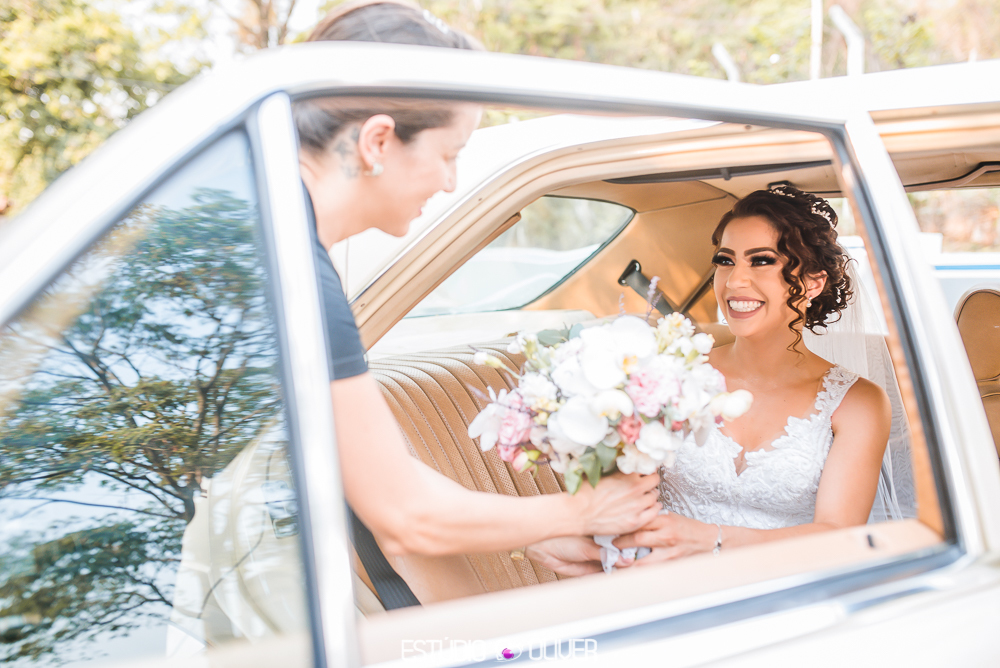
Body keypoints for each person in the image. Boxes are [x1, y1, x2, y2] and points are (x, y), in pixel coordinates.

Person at [296, 0, 661, 564]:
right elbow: (407, 517)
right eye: (449, 154)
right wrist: (583, 511)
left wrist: (534, 530)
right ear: (377, 142)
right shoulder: (299, 283)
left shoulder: (277, 243)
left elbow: (384, 477)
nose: (450, 182)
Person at [610, 185, 894, 563]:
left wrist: (712, 539)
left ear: (813, 282)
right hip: (661, 581)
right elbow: (623, 495)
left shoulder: (859, 404)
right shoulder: (674, 371)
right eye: (725, 261)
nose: (734, 281)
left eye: (761, 261)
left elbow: (838, 535)